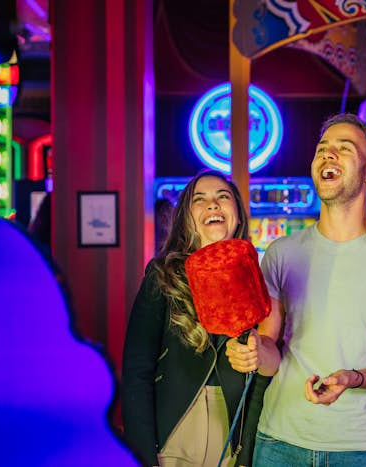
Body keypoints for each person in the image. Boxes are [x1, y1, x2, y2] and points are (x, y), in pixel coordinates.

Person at [250, 113, 366, 466]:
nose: (328, 155)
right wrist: (254, 351)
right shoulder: (280, 253)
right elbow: (270, 352)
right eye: (322, 149)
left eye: (344, 149)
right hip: (279, 441)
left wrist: (354, 378)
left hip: (360, 447)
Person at [121, 169, 278, 467]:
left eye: (223, 197)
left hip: (232, 437)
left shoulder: (256, 281)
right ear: (185, 218)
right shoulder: (162, 276)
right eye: (200, 199)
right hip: (172, 436)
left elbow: (260, 379)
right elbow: (136, 371)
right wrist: (143, 453)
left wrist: (246, 454)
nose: (213, 205)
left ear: (238, 214)